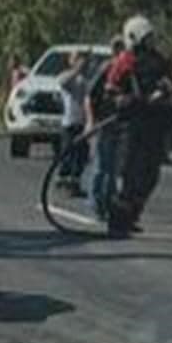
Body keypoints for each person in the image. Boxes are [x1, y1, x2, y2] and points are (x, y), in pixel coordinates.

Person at [104, 15, 172, 239]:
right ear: (135, 38)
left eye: (152, 38)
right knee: (128, 174)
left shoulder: (160, 61)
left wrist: (170, 88)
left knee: (150, 176)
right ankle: (118, 221)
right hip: (133, 128)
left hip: (156, 127)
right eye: (147, 38)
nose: (151, 42)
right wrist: (128, 101)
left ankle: (132, 215)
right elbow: (111, 92)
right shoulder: (125, 62)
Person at [86, 35, 124, 222]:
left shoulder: (126, 72)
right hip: (103, 122)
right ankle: (96, 203)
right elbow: (90, 96)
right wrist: (92, 122)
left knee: (113, 168)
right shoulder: (107, 69)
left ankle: (109, 205)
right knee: (102, 165)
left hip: (118, 124)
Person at [56, 51, 90, 198]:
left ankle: (75, 183)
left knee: (81, 155)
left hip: (82, 122)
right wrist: (76, 70)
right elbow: (62, 82)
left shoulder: (85, 80)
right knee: (68, 153)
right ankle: (63, 181)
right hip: (69, 122)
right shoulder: (67, 77)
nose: (81, 61)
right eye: (77, 58)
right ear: (71, 61)